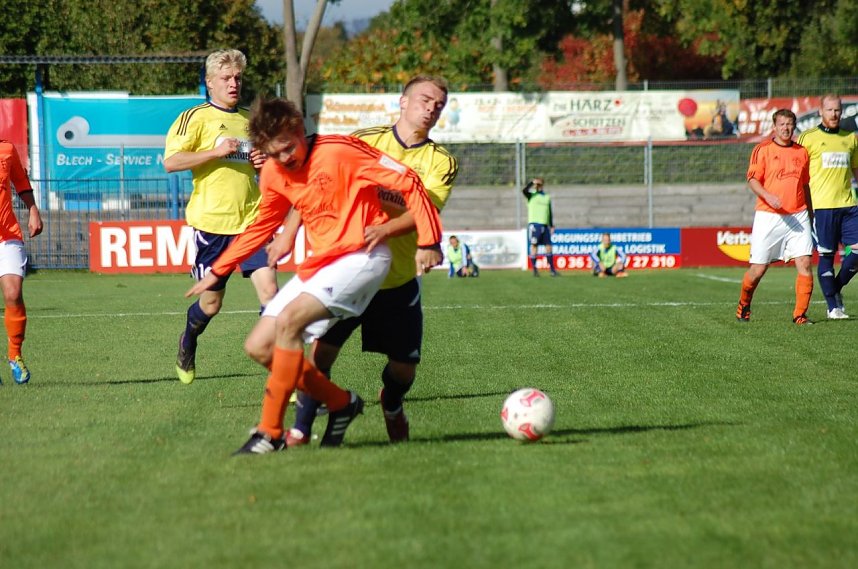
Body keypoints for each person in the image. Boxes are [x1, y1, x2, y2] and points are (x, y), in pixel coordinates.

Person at [186, 97, 443, 454]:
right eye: (274, 155)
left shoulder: (341, 150)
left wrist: (429, 240)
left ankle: (270, 432)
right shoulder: (275, 171)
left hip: (364, 256)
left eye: (288, 149)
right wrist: (218, 270)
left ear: (297, 128)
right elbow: (262, 224)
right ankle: (341, 402)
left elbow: (410, 182)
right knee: (258, 346)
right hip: (324, 262)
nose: (284, 159)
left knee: (289, 323)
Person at [280, 75, 459, 446]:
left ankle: (391, 404)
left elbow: (425, 208)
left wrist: (386, 230)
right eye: (425, 99)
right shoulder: (362, 141)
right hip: (349, 269)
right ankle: (301, 427)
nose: (431, 108)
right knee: (322, 353)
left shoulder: (441, 161)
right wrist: (288, 230)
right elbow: (315, 184)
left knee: (404, 369)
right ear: (403, 102)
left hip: (396, 278)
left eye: (439, 105)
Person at [164, 49, 278, 384]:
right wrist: (215, 151)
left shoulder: (250, 120)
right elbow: (171, 162)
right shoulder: (194, 117)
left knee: (270, 292)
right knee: (211, 304)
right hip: (212, 224)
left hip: (253, 220)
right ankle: (188, 340)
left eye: (238, 78)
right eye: (226, 78)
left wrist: (263, 162)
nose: (234, 84)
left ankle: (283, 374)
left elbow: (270, 167)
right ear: (210, 83)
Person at [736, 109, 813, 325]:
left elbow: (805, 185)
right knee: (758, 269)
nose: (786, 128)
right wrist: (769, 196)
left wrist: (811, 212)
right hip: (769, 216)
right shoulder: (762, 150)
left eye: (789, 124)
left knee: (805, 263)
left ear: (794, 125)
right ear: (774, 126)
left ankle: (800, 315)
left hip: (798, 215)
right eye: (782, 124)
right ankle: (744, 304)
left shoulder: (802, 152)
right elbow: (752, 179)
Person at [797, 94, 858, 319]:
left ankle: (835, 288)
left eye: (838, 110)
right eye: (830, 110)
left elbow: (856, 170)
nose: (834, 114)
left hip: (849, 205)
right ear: (820, 111)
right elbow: (799, 173)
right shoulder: (808, 138)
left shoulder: (850, 138)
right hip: (822, 207)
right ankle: (834, 307)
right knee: (826, 256)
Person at [0, 140, 43, 385]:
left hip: (7, 235)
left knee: (13, 293)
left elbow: (20, 180)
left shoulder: (6, 148)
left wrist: (33, 210)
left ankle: (15, 354)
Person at [522, 177, 558, 276]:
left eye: (539, 184)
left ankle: (552, 270)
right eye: (536, 184)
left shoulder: (547, 197)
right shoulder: (531, 195)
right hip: (534, 224)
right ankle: (534, 270)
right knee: (534, 246)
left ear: (542, 185)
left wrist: (551, 225)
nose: (537, 186)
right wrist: (531, 182)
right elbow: (524, 190)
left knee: (548, 247)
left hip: (544, 225)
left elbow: (549, 212)